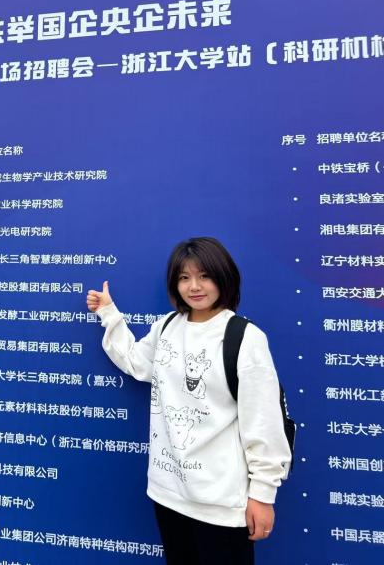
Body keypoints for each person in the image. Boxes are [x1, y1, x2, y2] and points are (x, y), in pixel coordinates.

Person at [86, 237, 291, 565]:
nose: (194, 286)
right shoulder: (167, 327)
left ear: (224, 277)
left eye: (204, 276)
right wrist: (109, 313)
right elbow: (136, 362)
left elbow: (264, 422)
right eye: (184, 277)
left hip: (221, 503)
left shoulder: (244, 337)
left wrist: (263, 495)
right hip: (167, 492)